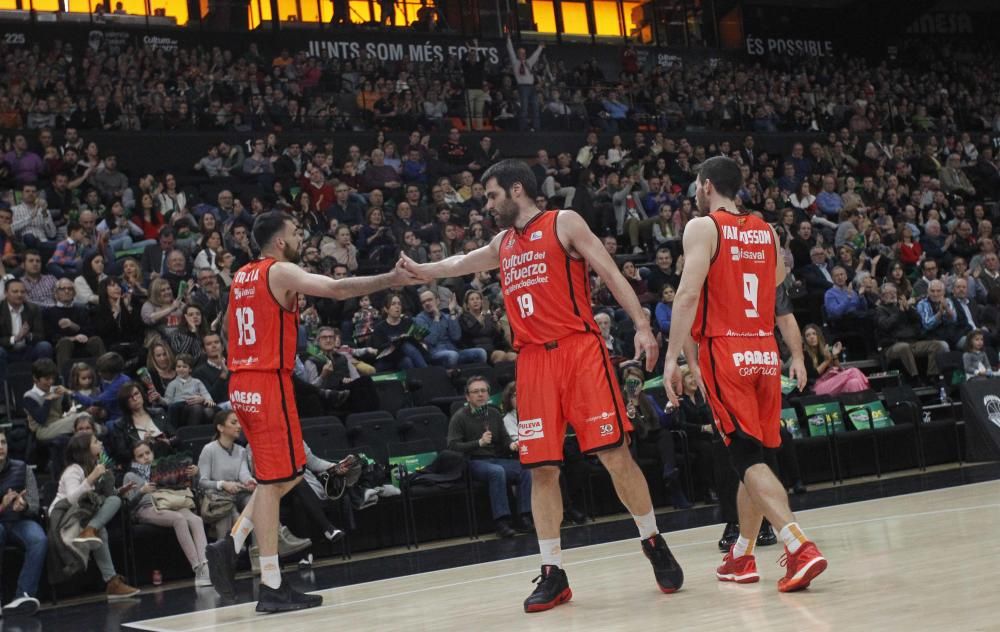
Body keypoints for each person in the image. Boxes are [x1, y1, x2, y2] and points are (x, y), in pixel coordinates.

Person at [401, 159, 683, 613]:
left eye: (492, 195)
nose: (487, 204)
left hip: (579, 351)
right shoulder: (502, 243)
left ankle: (652, 540)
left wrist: (642, 325)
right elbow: (459, 261)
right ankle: (552, 571)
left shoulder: (562, 222)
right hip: (532, 362)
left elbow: (610, 271)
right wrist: (422, 269)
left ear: (516, 190)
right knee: (541, 469)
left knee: (614, 454)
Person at [205, 211, 419, 612]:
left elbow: (229, 331)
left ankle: (236, 549)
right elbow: (336, 289)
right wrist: (389, 279)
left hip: (243, 380)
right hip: (267, 381)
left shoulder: (241, 277)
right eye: (296, 231)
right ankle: (265, 582)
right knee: (273, 482)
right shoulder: (280, 272)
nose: (301, 236)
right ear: (280, 241)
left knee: (288, 473)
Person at [662, 156, 826, 593]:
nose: (695, 192)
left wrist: (671, 358)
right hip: (763, 351)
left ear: (707, 185)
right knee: (757, 458)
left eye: (696, 185)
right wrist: (793, 353)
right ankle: (742, 555)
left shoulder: (703, 226)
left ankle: (798, 546)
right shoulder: (767, 231)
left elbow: (688, 294)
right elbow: (778, 301)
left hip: (726, 349)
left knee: (744, 456)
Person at [50, 431, 140, 599]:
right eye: (95, 441)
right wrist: (92, 477)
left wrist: (120, 490)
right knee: (102, 527)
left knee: (114, 501)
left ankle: (112, 581)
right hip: (65, 517)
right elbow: (72, 499)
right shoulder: (73, 470)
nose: (100, 443)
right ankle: (112, 581)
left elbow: (103, 495)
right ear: (85, 449)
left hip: (84, 514)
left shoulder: (97, 465)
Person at [447, 376, 532, 538]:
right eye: (475, 392)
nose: (480, 395)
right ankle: (502, 522)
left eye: (483, 391)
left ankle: (524, 516)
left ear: (488, 394)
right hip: (473, 461)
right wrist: (478, 443)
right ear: (467, 396)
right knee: (497, 471)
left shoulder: (493, 413)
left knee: (525, 469)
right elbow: (452, 446)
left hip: (495, 459)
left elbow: (504, 438)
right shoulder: (460, 417)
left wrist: (511, 445)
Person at [123, 440, 210, 586]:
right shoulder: (130, 476)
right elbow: (128, 505)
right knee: (179, 519)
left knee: (196, 520)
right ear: (134, 460)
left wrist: (194, 474)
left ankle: (206, 565)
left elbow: (190, 488)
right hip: (146, 508)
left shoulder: (163, 469)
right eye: (140, 456)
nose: (146, 457)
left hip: (171, 502)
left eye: (148, 453)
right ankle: (197, 568)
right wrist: (141, 491)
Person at [0, 428, 46, 616]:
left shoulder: (23, 468)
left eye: (2, 442)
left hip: (19, 521)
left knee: (39, 539)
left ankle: (23, 595)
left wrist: (24, 506)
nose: (0, 447)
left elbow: (35, 505)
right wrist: (2, 506)